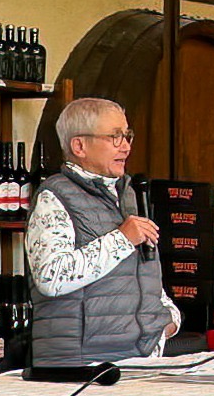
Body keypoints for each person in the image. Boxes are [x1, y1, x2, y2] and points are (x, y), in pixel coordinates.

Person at [26, 98, 180, 364]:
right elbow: (51, 277)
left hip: (137, 359)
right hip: (81, 364)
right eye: (114, 137)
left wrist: (168, 318)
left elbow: (143, 273)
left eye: (127, 136)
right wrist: (122, 239)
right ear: (79, 146)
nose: (126, 146)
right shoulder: (54, 197)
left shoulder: (128, 193)